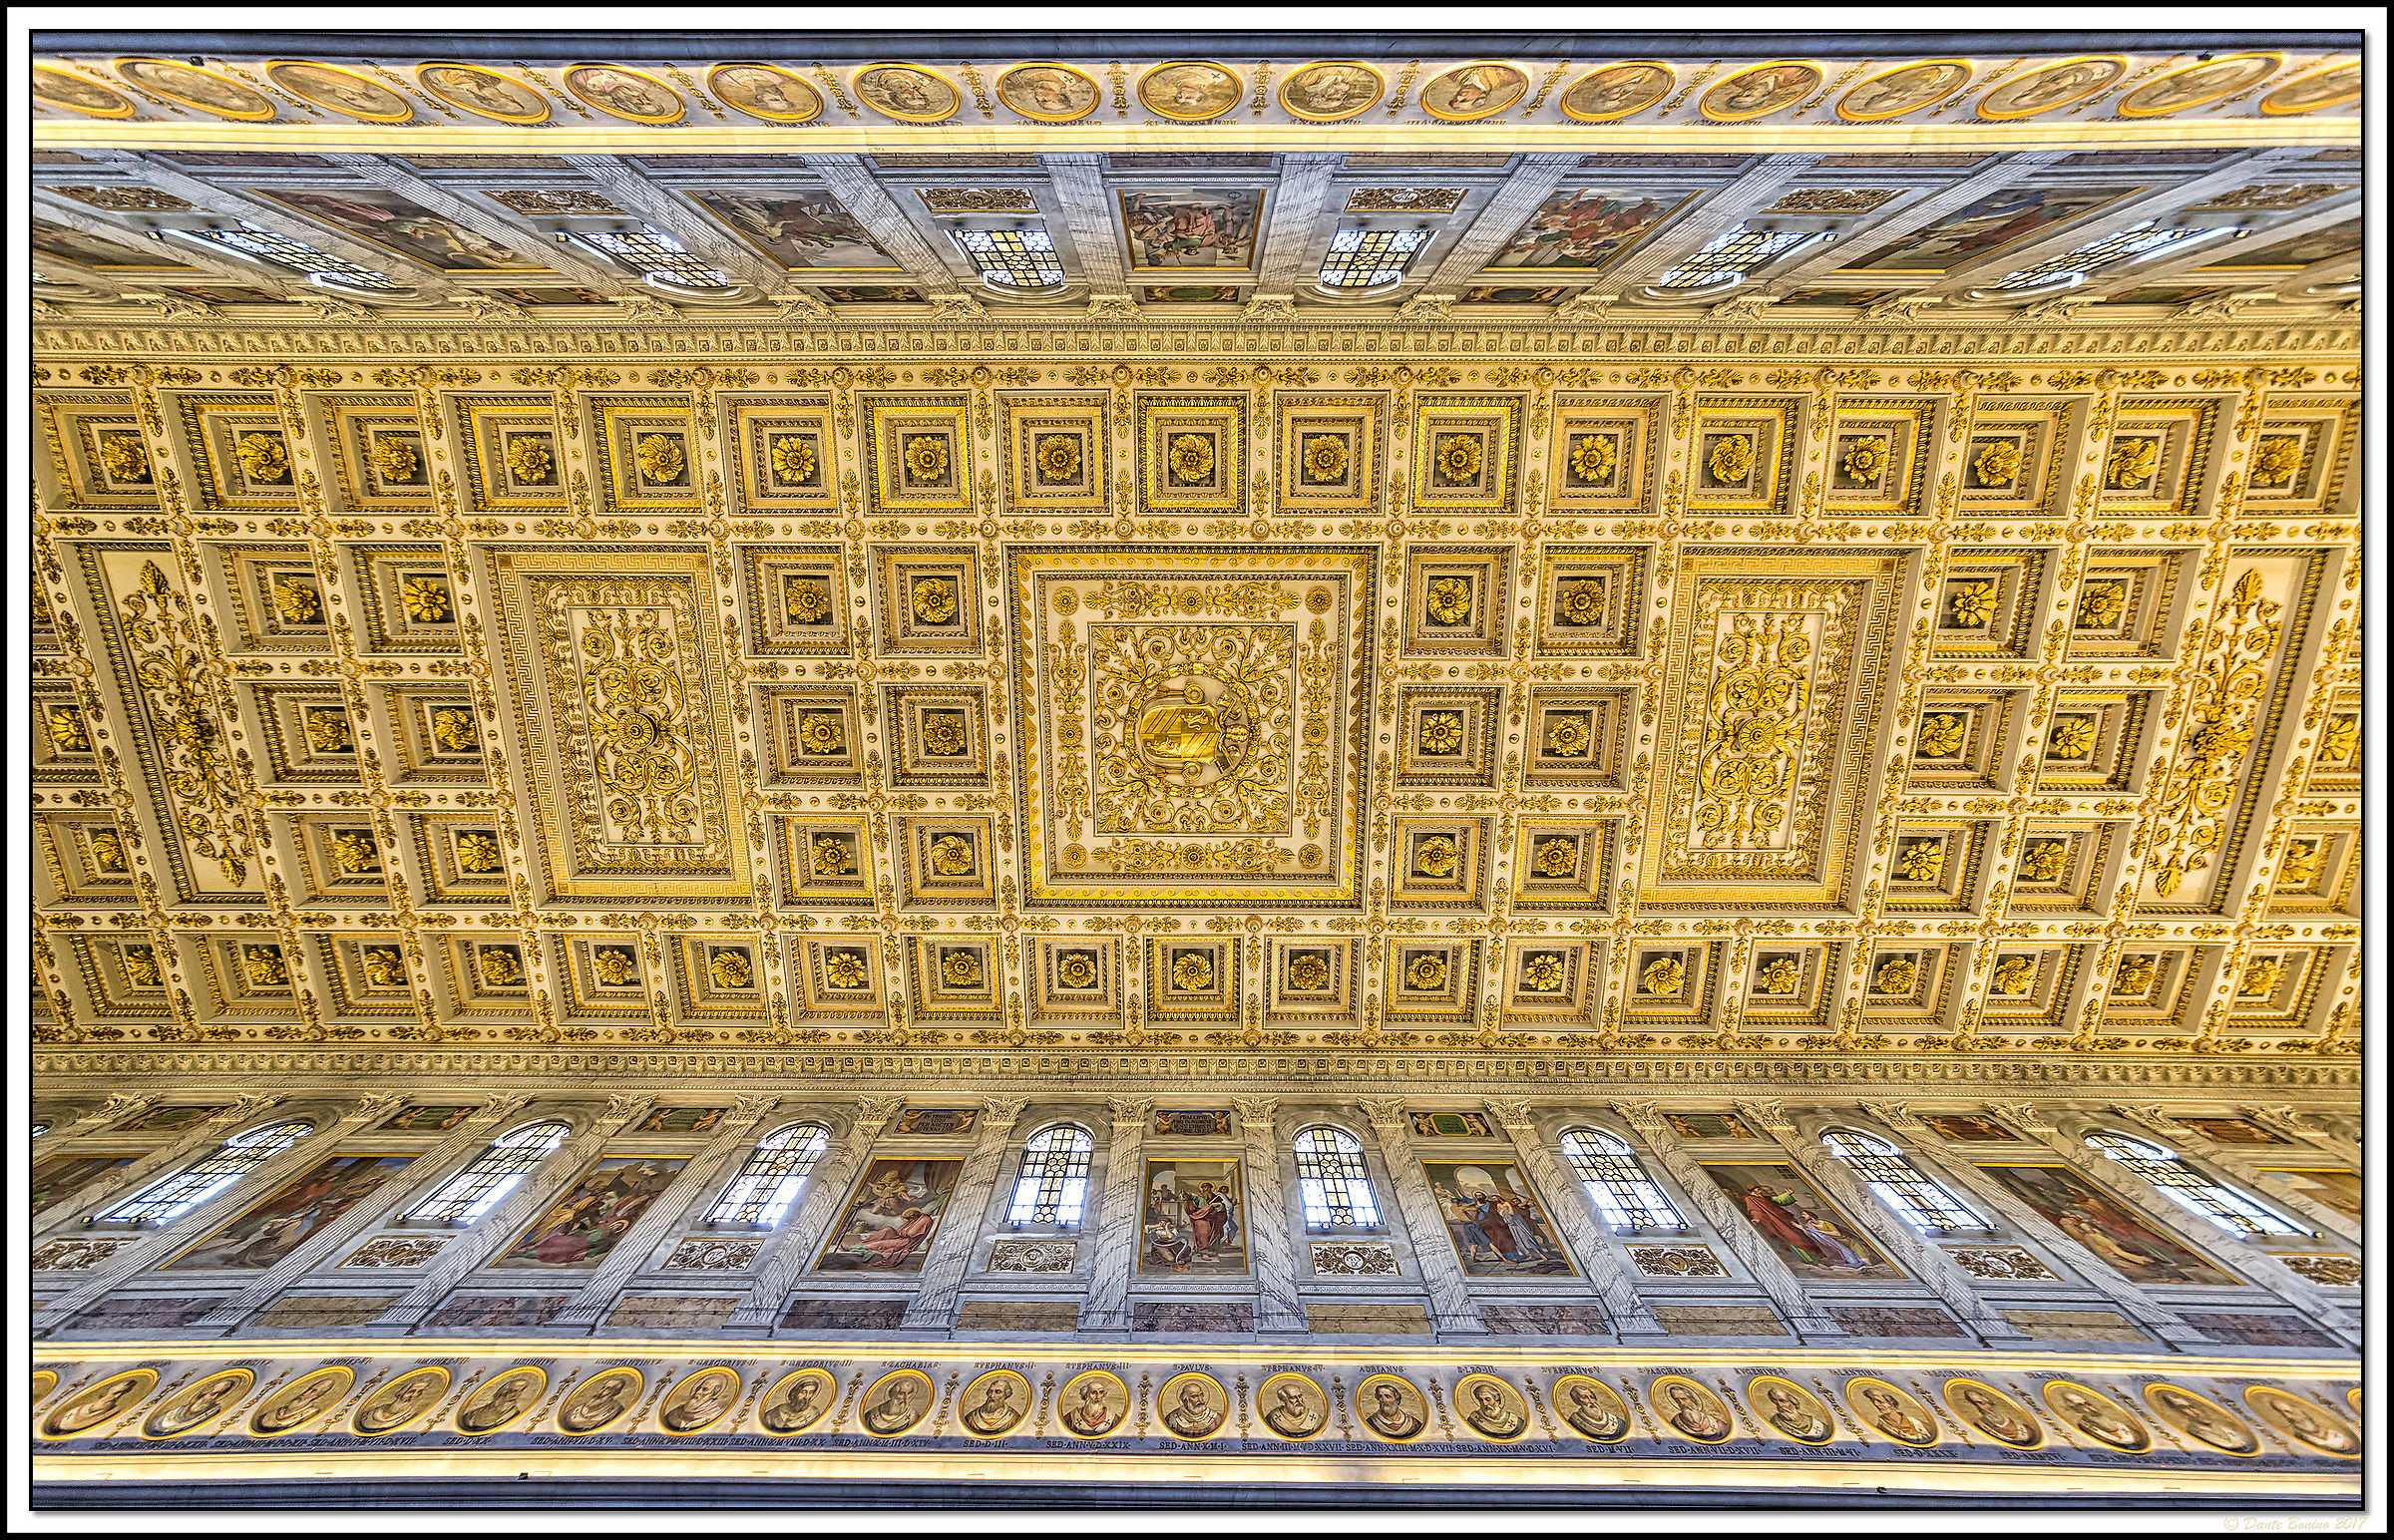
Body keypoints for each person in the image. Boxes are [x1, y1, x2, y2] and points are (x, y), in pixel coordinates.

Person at [2153, 1387, 2255, 1453]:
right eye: (2184, 1408)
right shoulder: (2201, 1433)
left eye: (2189, 1405)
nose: (2192, 1410)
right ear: (2181, 1413)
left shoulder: (2223, 1424)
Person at [48, 1376, 146, 1436]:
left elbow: (95, 1412)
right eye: (115, 1392)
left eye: (120, 1392)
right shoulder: (104, 1404)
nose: (115, 1395)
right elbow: (90, 1410)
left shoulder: (111, 1407)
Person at [152, 1375, 243, 1436]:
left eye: (219, 1394)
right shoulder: (177, 1411)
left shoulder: (212, 1411)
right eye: (212, 1393)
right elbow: (156, 1425)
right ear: (204, 1392)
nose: (214, 1397)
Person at [2269, 1396, 2357, 1455]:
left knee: (2298, 1419)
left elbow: (2325, 1437)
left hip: (2312, 1431)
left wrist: (2320, 1432)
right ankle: (2285, 1410)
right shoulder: (2338, 1440)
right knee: (2297, 1418)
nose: (2348, 1439)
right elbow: (2327, 1433)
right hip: (2312, 1429)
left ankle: (2286, 1411)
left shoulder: (2338, 1442)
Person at [1955, 1385, 2038, 1447]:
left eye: (1984, 1401)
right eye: (1979, 1403)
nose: (1983, 1406)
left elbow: (2032, 1435)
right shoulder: (1981, 1425)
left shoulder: (2020, 1423)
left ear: (1990, 1401)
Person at [255, 1376, 343, 1434]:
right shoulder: (279, 1409)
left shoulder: (310, 1412)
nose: (306, 1392)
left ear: (318, 1395)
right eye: (309, 1389)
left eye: (313, 1391)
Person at [357, 1373, 440, 1434]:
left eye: (419, 1392)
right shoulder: (370, 1413)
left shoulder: (411, 1415)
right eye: (412, 1391)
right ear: (403, 1391)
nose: (414, 1395)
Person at [458, 1374, 534, 1433]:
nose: (515, 1395)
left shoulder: (513, 1413)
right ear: (502, 1391)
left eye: (520, 1391)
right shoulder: (473, 1414)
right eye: (512, 1391)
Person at [662, 1372, 735, 1432]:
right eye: (698, 1388)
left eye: (705, 1389)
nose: (698, 1392)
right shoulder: (678, 1410)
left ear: (714, 1393)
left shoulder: (716, 1411)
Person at [1860, 1385, 1935, 1443]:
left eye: (1880, 1401)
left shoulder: (1917, 1424)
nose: (1876, 1404)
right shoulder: (1880, 1429)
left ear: (1892, 1403)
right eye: (1874, 1401)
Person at [1763, 1383, 1834, 1441]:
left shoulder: (1815, 1423)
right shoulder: (1775, 1422)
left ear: (1793, 1403)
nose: (1779, 1405)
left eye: (1783, 1401)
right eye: (1775, 1401)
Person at [1662, 1382, 1730, 1440]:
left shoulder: (1717, 1424)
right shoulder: (1676, 1422)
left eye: (1684, 1399)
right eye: (1677, 1400)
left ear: (1693, 1400)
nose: (1681, 1403)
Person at [1561, 1381, 1627, 1440]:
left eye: (1592, 1397)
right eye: (1584, 1397)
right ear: (1577, 1401)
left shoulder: (1618, 1423)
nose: (1591, 1401)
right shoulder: (1575, 1422)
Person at [761, 1374, 826, 1432]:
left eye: (810, 1392)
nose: (806, 1396)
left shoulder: (813, 1414)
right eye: (803, 1392)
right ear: (794, 1393)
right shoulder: (777, 1411)